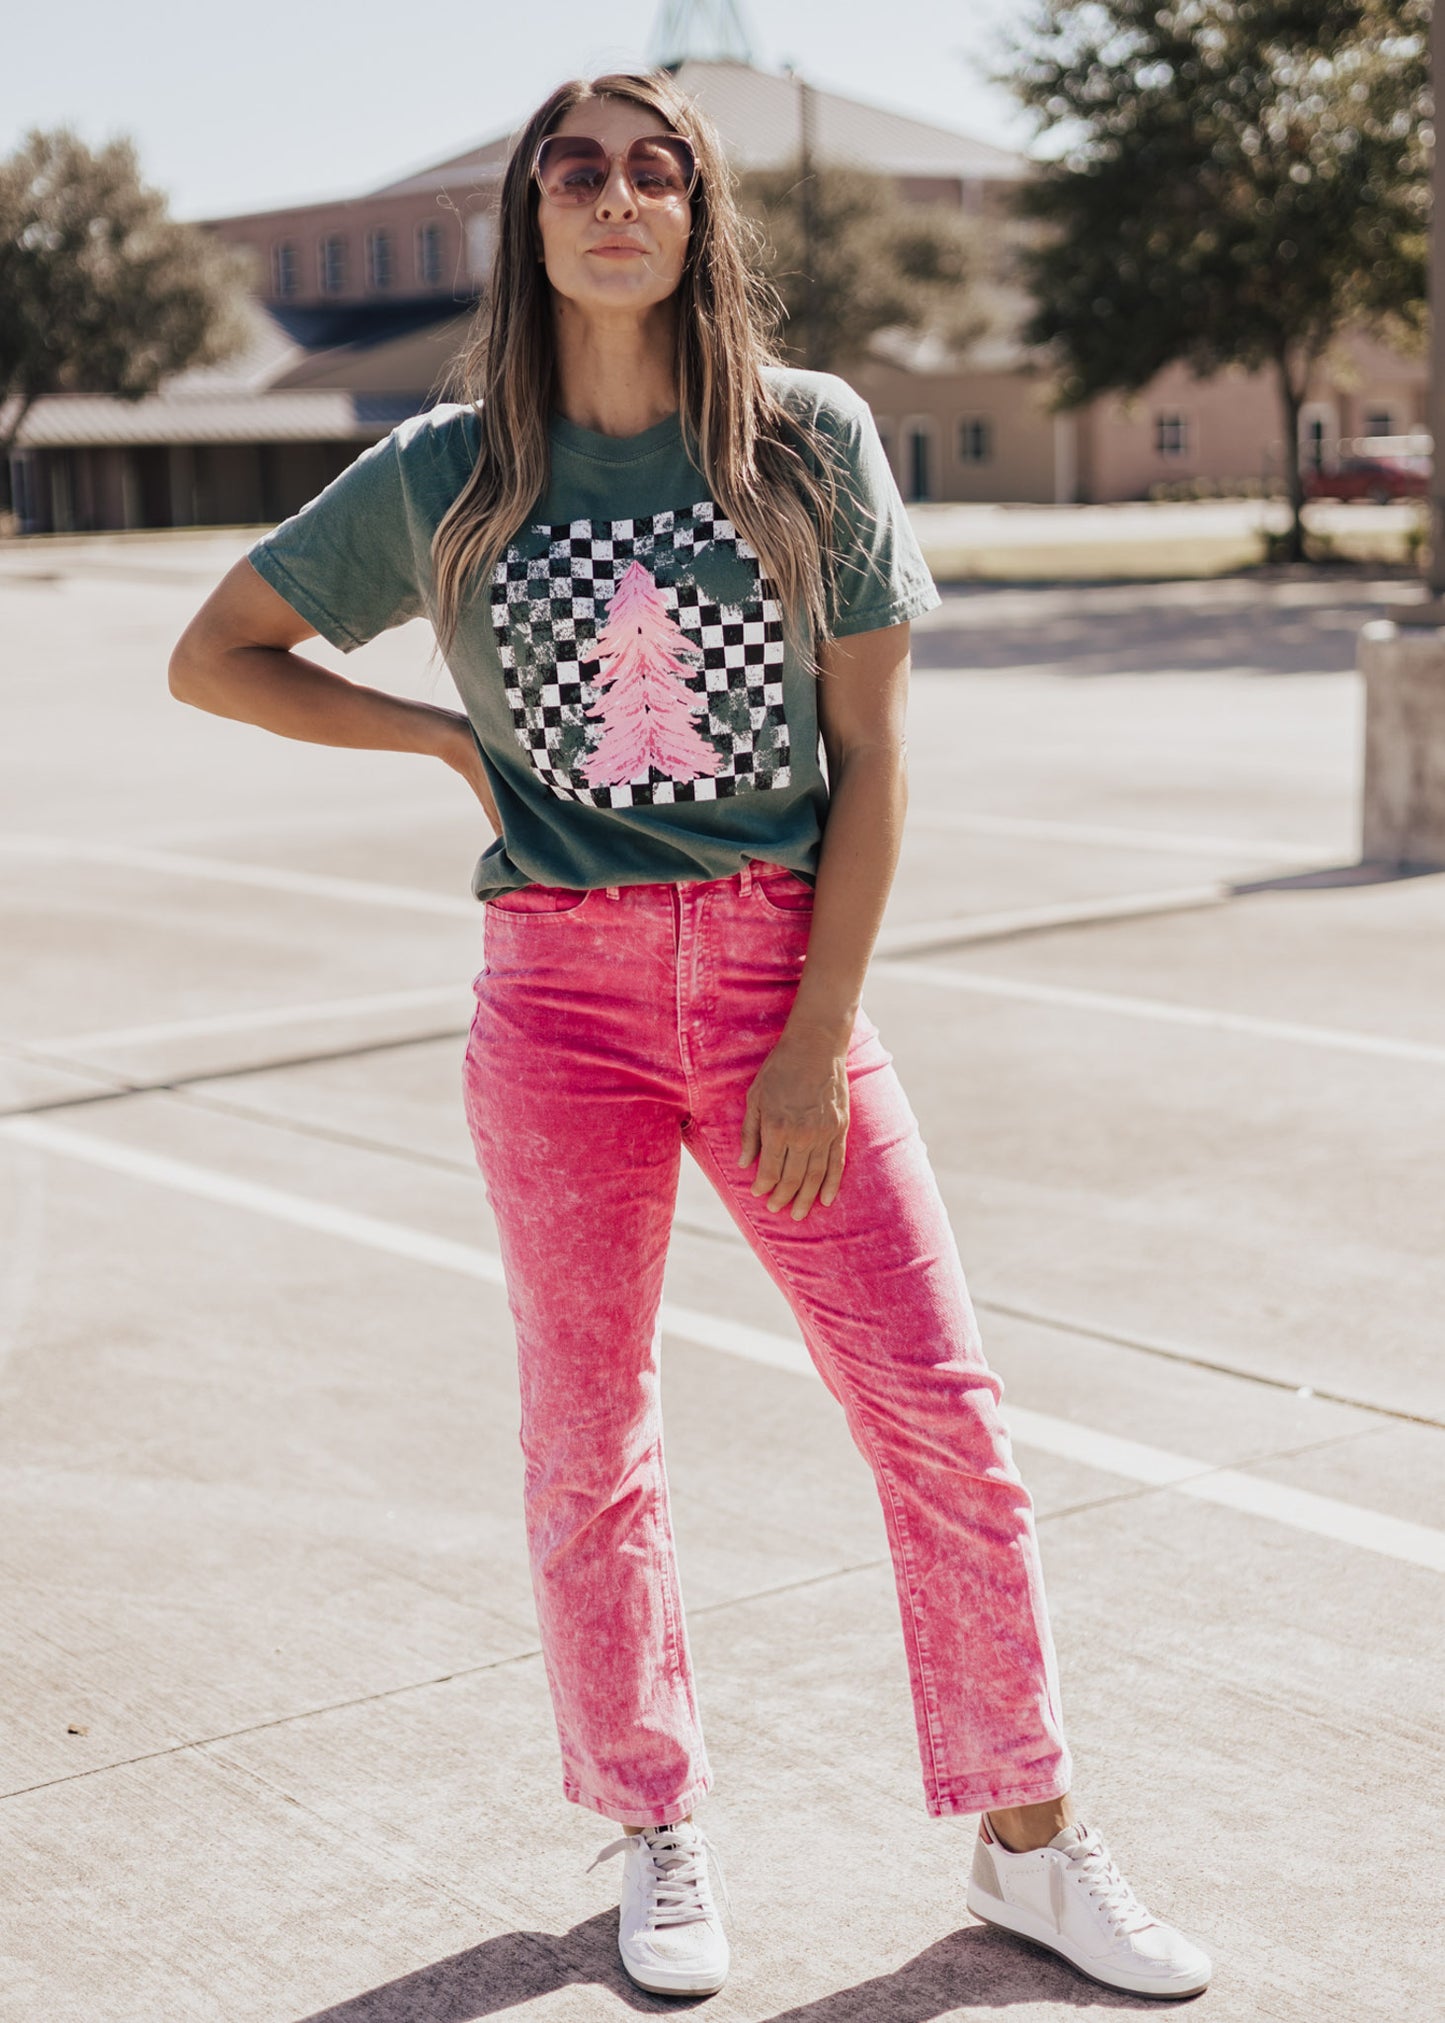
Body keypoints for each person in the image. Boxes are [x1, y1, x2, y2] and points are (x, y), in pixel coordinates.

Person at [168, 70, 1211, 2004]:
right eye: (577, 170)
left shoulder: (803, 440)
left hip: (773, 978)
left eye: (656, 171)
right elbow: (213, 654)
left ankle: (1031, 1844)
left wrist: (816, 1033)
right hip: (552, 998)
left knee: (941, 1417)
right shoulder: (448, 469)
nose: (616, 197)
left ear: (698, 214)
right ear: (529, 215)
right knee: (590, 1440)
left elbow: (875, 752)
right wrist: (443, 741)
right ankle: (654, 1825)